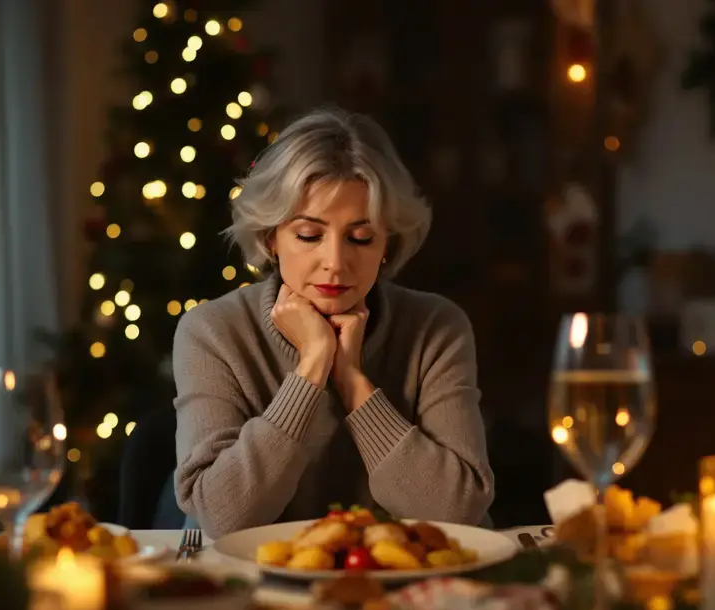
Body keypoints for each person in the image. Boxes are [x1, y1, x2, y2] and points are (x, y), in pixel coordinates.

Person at [171, 107, 494, 537]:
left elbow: (458, 512)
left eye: (361, 238)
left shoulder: (437, 326)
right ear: (271, 238)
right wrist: (311, 369)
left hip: (410, 586)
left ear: (386, 244)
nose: (336, 264)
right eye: (309, 235)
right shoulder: (211, 332)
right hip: (256, 588)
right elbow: (222, 516)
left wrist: (351, 380)